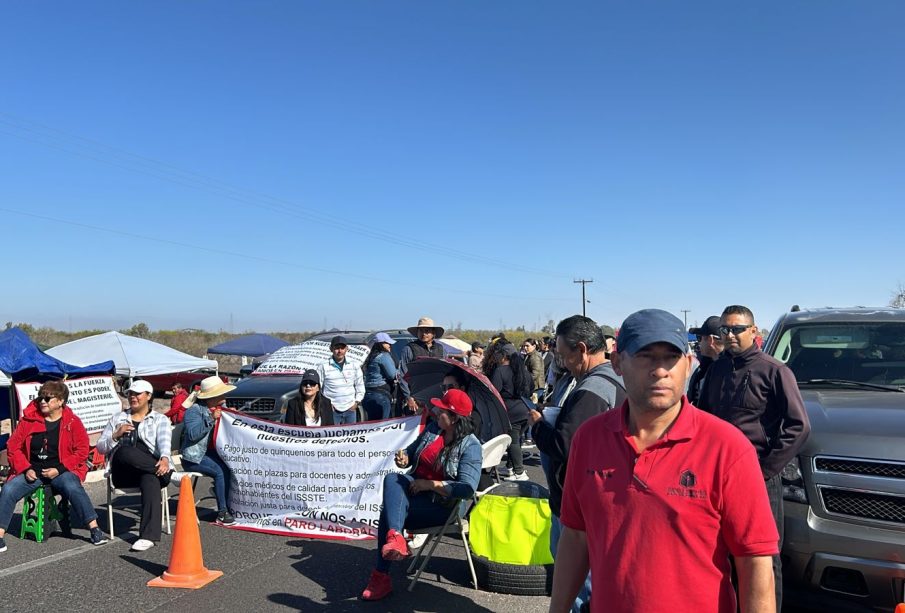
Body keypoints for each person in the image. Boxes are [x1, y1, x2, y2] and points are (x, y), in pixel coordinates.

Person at [550, 309, 779, 613]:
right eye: (646, 356)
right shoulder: (589, 439)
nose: (660, 370)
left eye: (671, 357)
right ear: (617, 363)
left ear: (687, 364)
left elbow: (754, 561)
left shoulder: (727, 448)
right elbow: (576, 537)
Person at [698, 305, 810, 610]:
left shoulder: (774, 371)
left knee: (762, 557)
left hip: (759, 477)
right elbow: (705, 418)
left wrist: (765, 469)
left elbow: (798, 425)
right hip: (716, 477)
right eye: (725, 329)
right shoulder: (717, 369)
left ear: (753, 331)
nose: (730, 335)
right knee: (719, 552)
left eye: (737, 329)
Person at [527, 315, 623, 612]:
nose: (563, 363)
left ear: (582, 349)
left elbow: (565, 446)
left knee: (579, 583)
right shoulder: (615, 378)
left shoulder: (591, 390)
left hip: (580, 503)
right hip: (604, 494)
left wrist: (539, 426)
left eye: (563, 355)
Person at [360, 389, 481, 601]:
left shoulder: (471, 445)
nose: (435, 411)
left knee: (387, 513)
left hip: (442, 505)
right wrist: (404, 458)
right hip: (415, 488)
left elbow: (467, 488)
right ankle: (396, 537)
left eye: (441, 409)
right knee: (392, 478)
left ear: (454, 418)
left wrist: (431, 484)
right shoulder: (435, 428)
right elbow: (412, 450)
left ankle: (381, 576)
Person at [0, 381, 108, 552]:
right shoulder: (29, 420)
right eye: (41, 397)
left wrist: (59, 469)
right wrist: (25, 468)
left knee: (72, 486)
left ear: (60, 401)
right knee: (9, 489)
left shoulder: (72, 422)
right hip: (32, 471)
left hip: (61, 470)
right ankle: (0, 535)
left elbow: (81, 451)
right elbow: (13, 446)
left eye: (48, 398)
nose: (43, 401)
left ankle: (94, 528)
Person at [96, 379, 173, 552]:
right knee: (125, 451)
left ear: (148, 396)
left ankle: (148, 536)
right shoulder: (118, 418)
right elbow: (101, 447)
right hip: (122, 471)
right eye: (130, 393)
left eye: (137, 394)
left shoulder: (159, 419)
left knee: (151, 478)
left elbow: (164, 443)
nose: (133, 397)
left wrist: (166, 459)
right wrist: (116, 435)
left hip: (148, 468)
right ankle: (171, 475)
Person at [179, 376, 237, 526]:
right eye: (221, 394)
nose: (224, 397)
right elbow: (192, 435)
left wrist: (231, 416)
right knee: (219, 471)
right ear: (212, 396)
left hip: (206, 453)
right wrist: (211, 419)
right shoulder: (194, 411)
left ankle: (224, 501)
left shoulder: (216, 409)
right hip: (193, 458)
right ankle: (222, 512)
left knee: (227, 468)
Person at [483, 341, 532, 481]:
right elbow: (532, 388)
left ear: (504, 356)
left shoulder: (500, 371)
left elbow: (494, 392)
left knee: (513, 442)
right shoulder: (524, 372)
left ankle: (519, 472)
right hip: (525, 410)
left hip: (511, 412)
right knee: (517, 440)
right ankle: (510, 468)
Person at [397, 317, 447, 415]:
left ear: (433, 333)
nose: (424, 334)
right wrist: (409, 397)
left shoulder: (441, 349)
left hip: (436, 398)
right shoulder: (409, 349)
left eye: (427, 331)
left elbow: (446, 373)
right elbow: (402, 375)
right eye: (421, 331)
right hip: (415, 399)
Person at [316, 335, 365, 425]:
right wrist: (326, 405)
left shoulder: (354, 365)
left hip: (351, 409)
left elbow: (360, 385)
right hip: (332, 411)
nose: (340, 351)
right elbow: (317, 388)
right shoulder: (323, 366)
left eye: (342, 348)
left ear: (347, 349)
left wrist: (356, 403)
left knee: (349, 437)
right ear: (331, 349)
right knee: (332, 437)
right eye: (337, 348)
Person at [687, 315, 723, 406]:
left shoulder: (731, 372)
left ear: (710, 340)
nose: (698, 342)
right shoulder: (704, 368)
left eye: (699, 338)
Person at [362, 332, 398, 421]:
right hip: (381, 394)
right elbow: (392, 375)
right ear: (380, 344)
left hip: (368, 394)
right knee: (383, 425)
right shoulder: (383, 356)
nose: (389, 345)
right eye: (387, 343)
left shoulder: (371, 356)